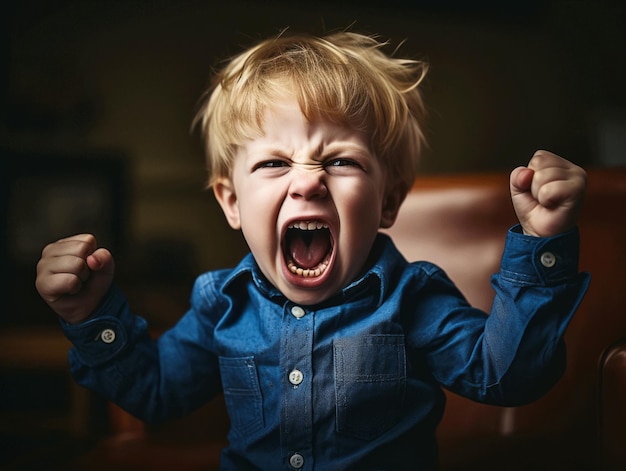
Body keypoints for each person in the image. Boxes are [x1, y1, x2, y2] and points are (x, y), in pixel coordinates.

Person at [35, 31, 589, 470]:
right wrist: (90, 316)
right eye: (274, 162)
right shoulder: (219, 303)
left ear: (388, 202)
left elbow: (506, 377)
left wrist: (543, 245)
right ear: (231, 202)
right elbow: (154, 394)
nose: (307, 183)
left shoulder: (413, 296)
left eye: (341, 161)